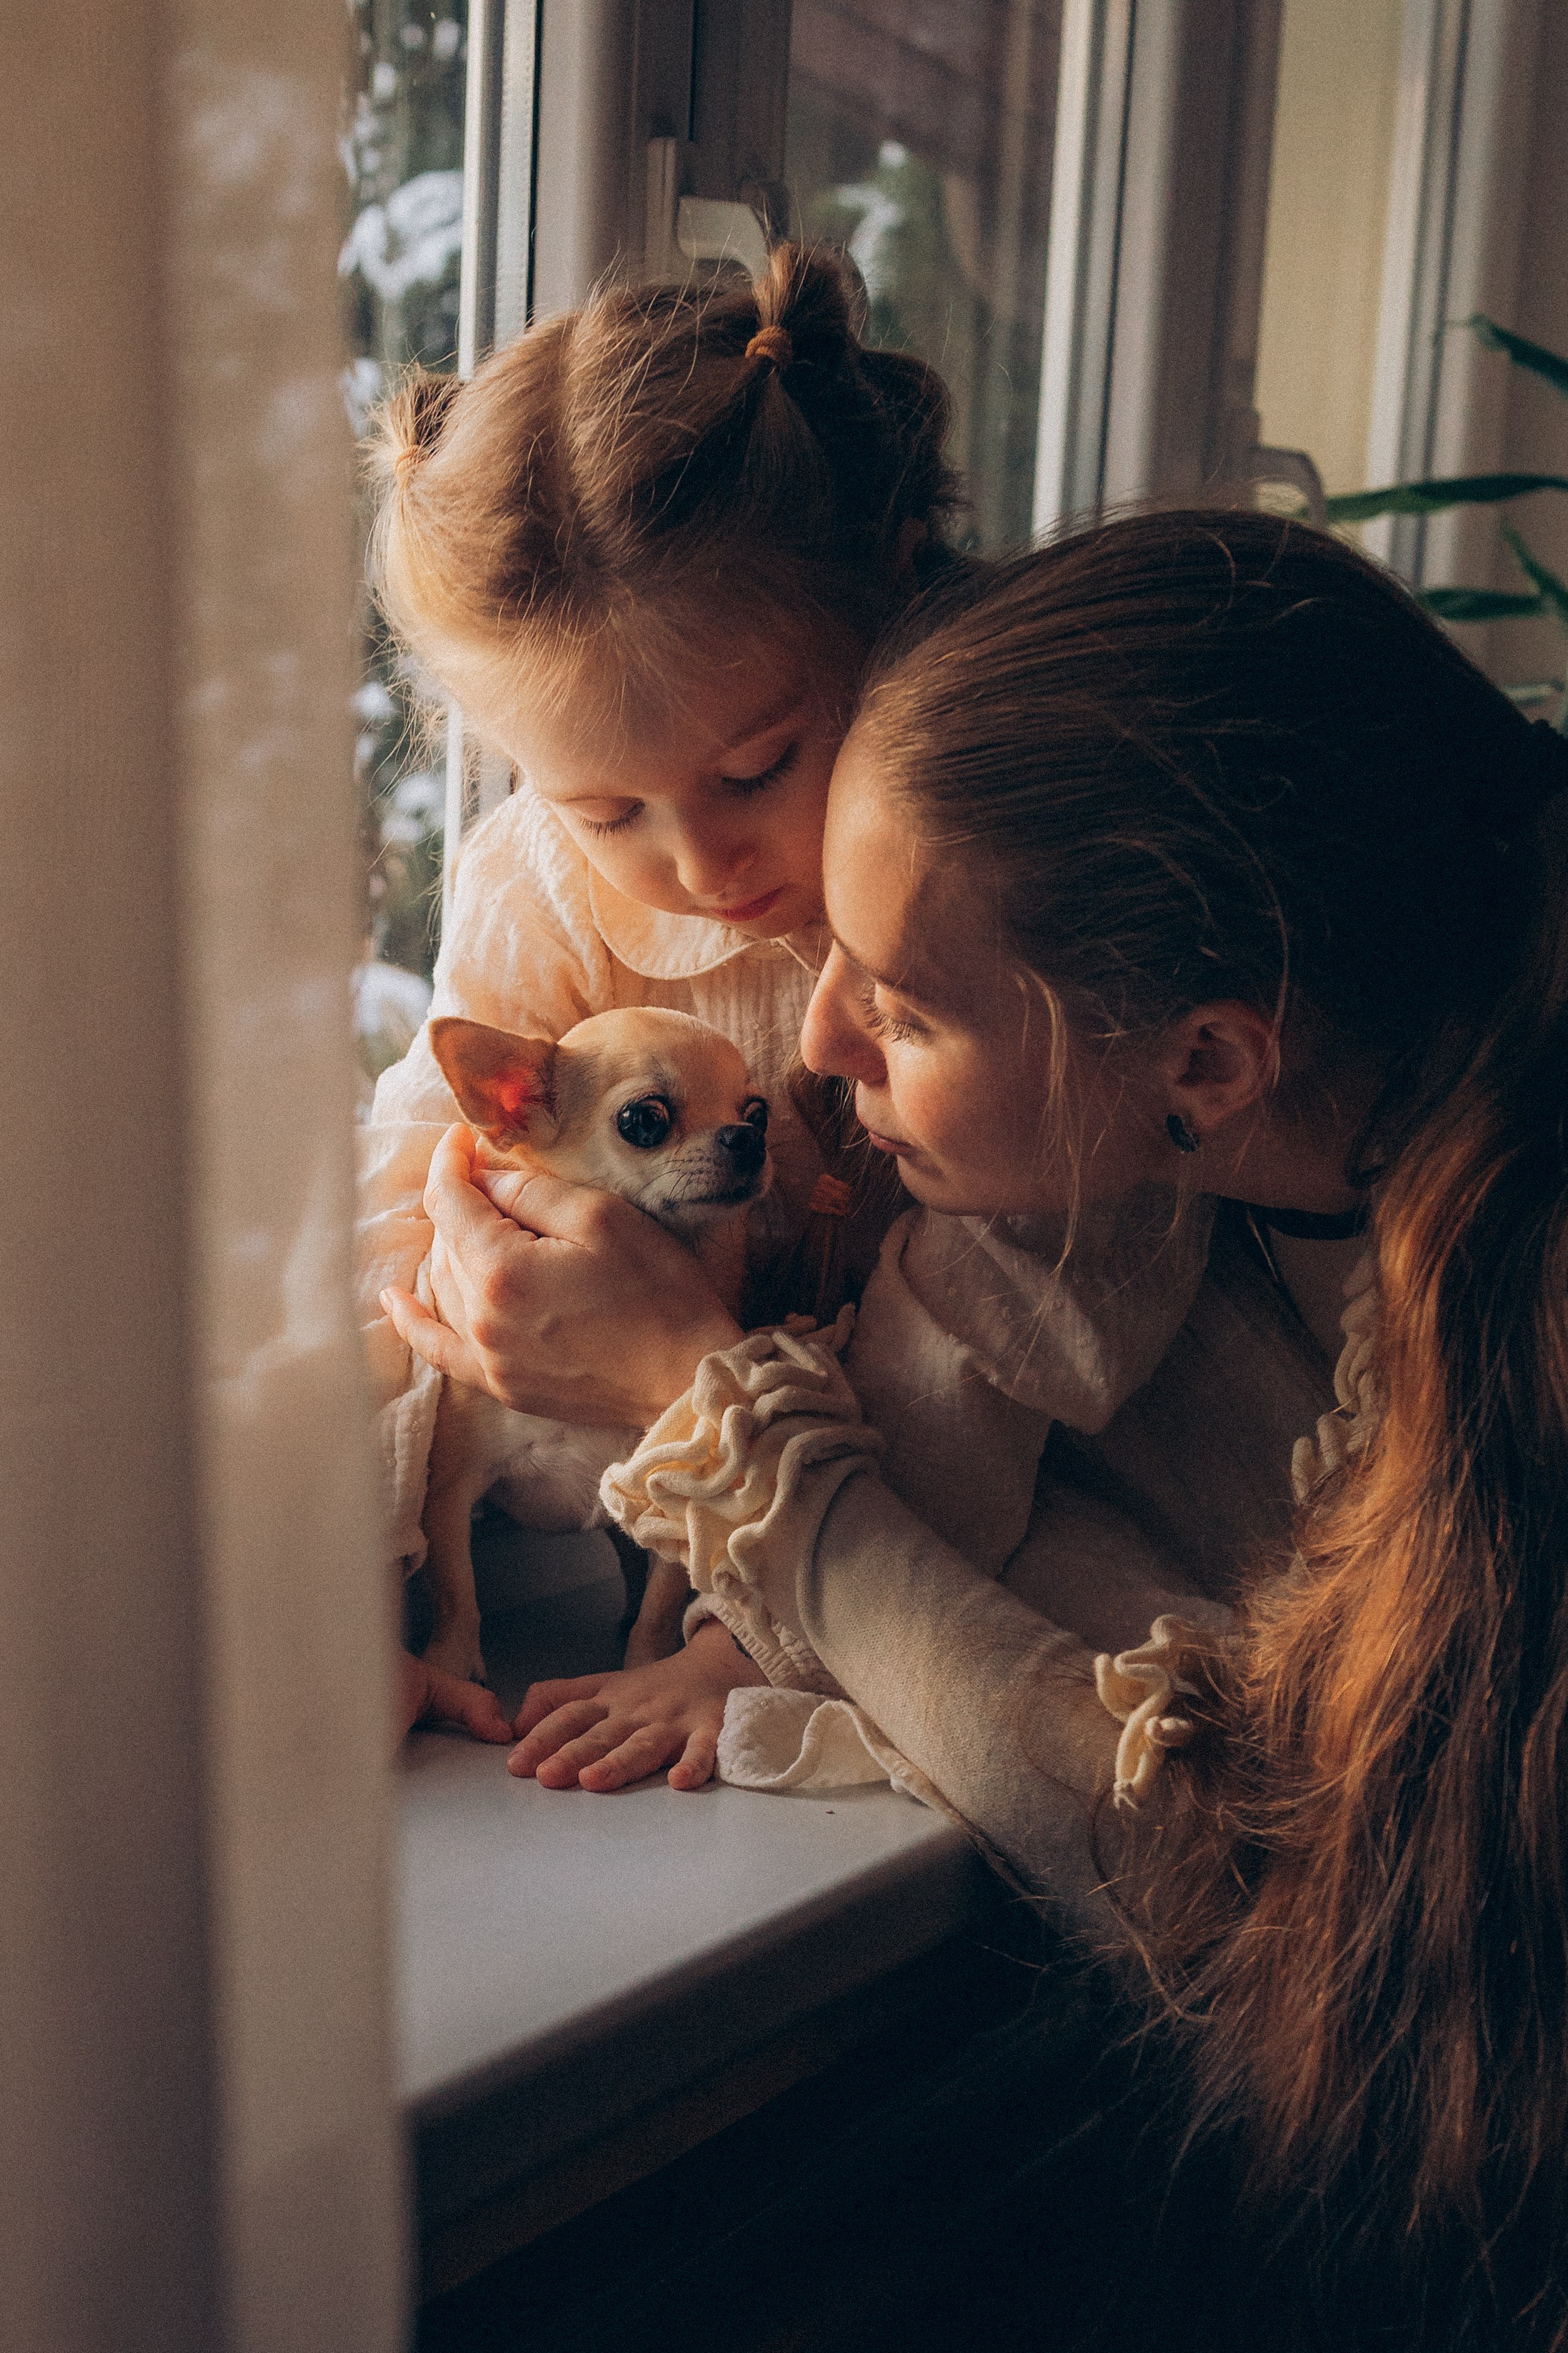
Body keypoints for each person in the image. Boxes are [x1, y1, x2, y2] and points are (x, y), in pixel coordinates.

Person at [386, 511, 1568, 2341]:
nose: (825, 1048)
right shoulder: (1324, 1159)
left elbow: (1219, 1887)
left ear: (1204, 1065)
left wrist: (706, 1409)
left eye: (908, 1006)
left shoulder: (1499, 1368)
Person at [359, 244, 959, 1738]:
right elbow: (406, 1226)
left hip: (906, 1544)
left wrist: (752, 1647)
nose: (695, 861)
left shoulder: (980, 881)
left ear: (886, 602)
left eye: (755, 768)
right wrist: (334, 1575)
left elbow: (989, 1368)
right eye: (602, 807)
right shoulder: (534, 891)